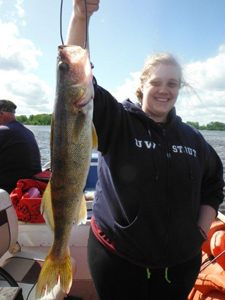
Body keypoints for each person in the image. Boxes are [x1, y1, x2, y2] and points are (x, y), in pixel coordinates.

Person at [66, 1, 224, 299]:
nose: (165, 90)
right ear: (142, 84)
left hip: (179, 267)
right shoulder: (118, 121)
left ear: (179, 88)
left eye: (173, 84)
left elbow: (214, 184)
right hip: (117, 260)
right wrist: (80, 16)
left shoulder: (193, 139)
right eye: (157, 82)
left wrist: (200, 232)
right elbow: (75, 81)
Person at [0, 100, 42, 194]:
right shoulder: (27, 132)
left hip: (9, 191)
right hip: (29, 188)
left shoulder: (2, 131)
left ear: (0, 113)